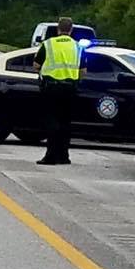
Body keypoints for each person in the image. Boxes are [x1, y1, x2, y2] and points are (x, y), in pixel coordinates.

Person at [33, 16, 85, 166]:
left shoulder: (48, 44)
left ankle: (50, 156)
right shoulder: (77, 47)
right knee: (66, 122)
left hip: (51, 88)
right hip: (70, 88)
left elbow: (36, 65)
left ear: (58, 29)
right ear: (71, 29)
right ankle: (64, 156)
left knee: (52, 122)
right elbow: (83, 70)